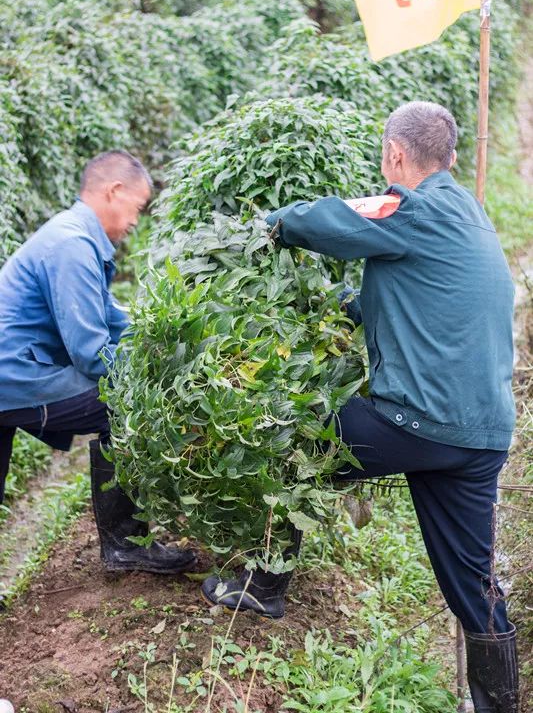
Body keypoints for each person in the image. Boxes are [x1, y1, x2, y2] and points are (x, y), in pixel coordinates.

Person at [201, 102, 518, 712]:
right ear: (450, 156)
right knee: (471, 580)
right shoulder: (468, 215)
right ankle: (498, 705)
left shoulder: (410, 208)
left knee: (291, 445)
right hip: (480, 437)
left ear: (396, 155)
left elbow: (333, 222)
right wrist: (345, 309)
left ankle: (264, 587)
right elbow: (420, 298)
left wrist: (273, 224)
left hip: (420, 421)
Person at [0, 150, 195, 574]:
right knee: (125, 404)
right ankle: (126, 545)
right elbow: (90, 353)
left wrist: (159, 343)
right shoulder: (72, 245)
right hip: (17, 376)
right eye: (138, 208)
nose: (135, 222)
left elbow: (112, 317)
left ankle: (126, 543)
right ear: (115, 191)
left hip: (13, 374)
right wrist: (151, 379)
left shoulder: (74, 236)